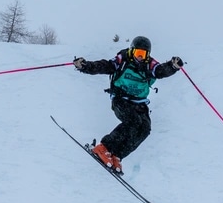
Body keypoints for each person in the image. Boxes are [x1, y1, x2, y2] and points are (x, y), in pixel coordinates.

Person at [73, 36, 184, 174]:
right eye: (137, 53)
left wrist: (172, 66)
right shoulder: (123, 59)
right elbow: (106, 66)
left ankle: (117, 155)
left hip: (139, 103)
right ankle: (103, 148)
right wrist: (86, 66)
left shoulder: (150, 64)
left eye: (143, 54)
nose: (140, 57)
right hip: (121, 99)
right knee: (133, 121)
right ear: (132, 51)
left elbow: (160, 71)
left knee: (144, 128)